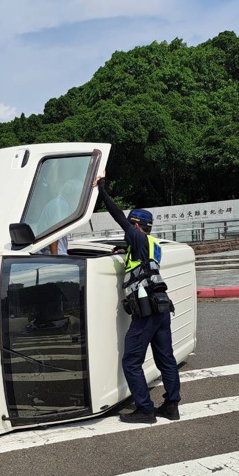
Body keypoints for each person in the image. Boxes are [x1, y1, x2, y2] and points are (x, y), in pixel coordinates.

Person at [93, 173, 181, 424]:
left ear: (136, 225)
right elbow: (143, 262)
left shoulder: (138, 238)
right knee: (166, 358)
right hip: (162, 308)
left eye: (131, 225)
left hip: (146, 312)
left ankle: (145, 409)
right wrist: (124, 249)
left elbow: (118, 216)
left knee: (131, 361)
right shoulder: (152, 244)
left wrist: (102, 190)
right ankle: (171, 406)